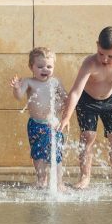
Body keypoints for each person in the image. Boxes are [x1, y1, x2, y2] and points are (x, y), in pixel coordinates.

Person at [58, 26, 112, 192]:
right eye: (101, 53)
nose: (104, 59)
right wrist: (66, 117)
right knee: (88, 135)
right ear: (97, 45)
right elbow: (75, 92)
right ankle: (85, 176)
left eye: (110, 56)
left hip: (110, 101)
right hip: (87, 101)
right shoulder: (89, 63)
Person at [11, 47, 67, 191]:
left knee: (56, 153)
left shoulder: (56, 82)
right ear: (31, 67)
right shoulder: (29, 82)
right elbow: (18, 97)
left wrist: (63, 110)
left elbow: (65, 98)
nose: (45, 69)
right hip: (35, 124)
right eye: (40, 66)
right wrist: (17, 88)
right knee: (38, 154)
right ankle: (42, 179)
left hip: (53, 124)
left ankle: (59, 182)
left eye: (49, 66)